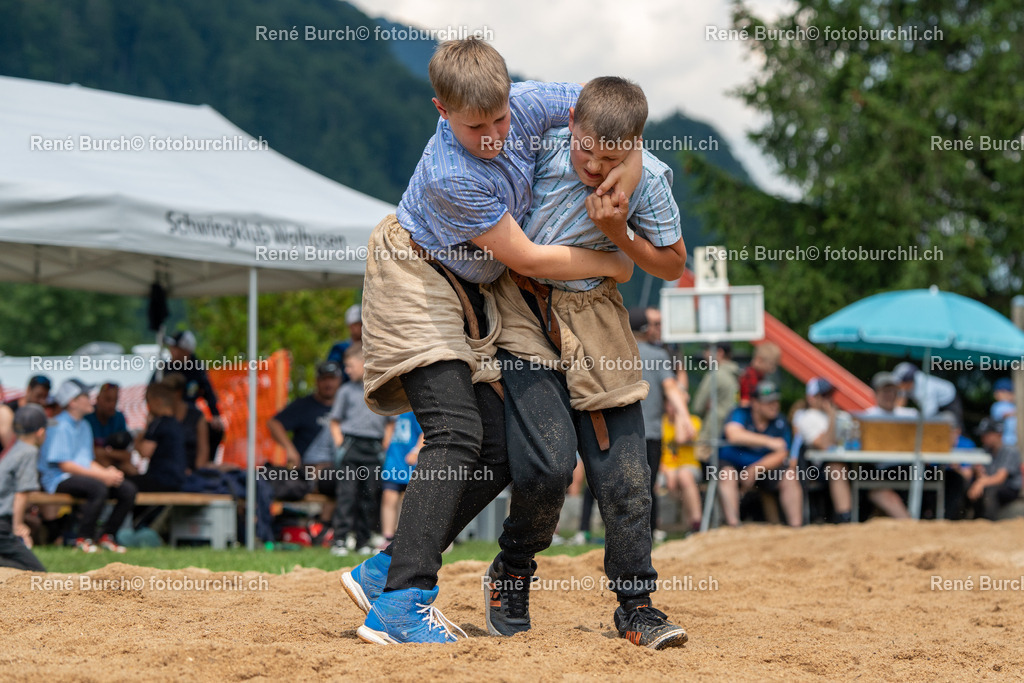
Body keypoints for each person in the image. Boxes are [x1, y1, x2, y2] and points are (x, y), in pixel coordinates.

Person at [348, 38, 636, 646]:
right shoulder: (451, 174)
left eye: (501, 119)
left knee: (502, 445)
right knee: (454, 432)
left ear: (512, 97)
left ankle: (386, 570)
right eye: (475, 127)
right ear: (441, 110)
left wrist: (629, 163)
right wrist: (616, 262)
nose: (493, 137)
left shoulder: (532, 103)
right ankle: (402, 603)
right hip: (414, 272)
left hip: (471, 288)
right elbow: (526, 257)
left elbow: (609, 117)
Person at [476, 77, 688, 647]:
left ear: (635, 145)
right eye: (585, 148)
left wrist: (618, 232)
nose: (593, 165)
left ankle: (637, 606)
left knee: (626, 474)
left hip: (596, 315)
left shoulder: (650, 180)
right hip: (522, 308)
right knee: (547, 465)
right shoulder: (536, 147)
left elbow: (672, 264)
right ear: (570, 123)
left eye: (611, 157)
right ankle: (512, 569)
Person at [37, 379, 135, 553]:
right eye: (85, 396)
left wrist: (108, 474)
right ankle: (83, 539)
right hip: (57, 480)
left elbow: (87, 461)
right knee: (98, 488)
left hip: (78, 476)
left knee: (127, 490)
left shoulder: (83, 425)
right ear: (72, 402)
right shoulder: (59, 425)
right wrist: (103, 476)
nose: (91, 399)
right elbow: (65, 465)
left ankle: (107, 537)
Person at [631, 307, 695, 535]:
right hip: (650, 433)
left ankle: (623, 532)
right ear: (645, 329)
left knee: (624, 485)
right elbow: (671, 389)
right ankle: (648, 532)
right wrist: (685, 416)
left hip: (620, 434)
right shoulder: (657, 356)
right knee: (648, 485)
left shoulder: (613, 355)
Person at [328, 344, 393, 557]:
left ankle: (363, 541)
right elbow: (335, 421)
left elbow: (390, 422)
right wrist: (340, 443)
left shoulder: (381, 389)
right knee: (347, 495)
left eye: (350, 365)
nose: (347, 370)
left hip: (373, 448)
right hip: (351, 446)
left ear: (364, 362)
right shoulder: (345, 391)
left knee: (369, 496)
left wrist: (384, 443)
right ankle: (340, 539)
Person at [719, 381, 803, 527]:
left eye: (776, 401)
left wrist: (756, 469)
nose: (774, 405)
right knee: (726, 474)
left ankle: (796, 528)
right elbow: (733, 435)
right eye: (769, 402)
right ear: (755, 403)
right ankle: (733, 526)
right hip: (734, 465)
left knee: (790, 475)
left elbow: (783, 453)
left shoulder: (780, 421)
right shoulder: (740, 413)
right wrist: (768, 441)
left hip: (764, 468)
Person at [267, 361, 343, 493]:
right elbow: (274, 424)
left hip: (338, 470)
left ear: (339, 380)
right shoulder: (303, 405)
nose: (328, 384)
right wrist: (290, 450)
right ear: (317, 381)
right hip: (306, 471)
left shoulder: (346, 408)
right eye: (324, 379)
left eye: (332, 379)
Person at [793, 378, 853, 523]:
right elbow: (824, 445)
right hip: (817, 469)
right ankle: (845, 517)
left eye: (829, 394)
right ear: (811, 398)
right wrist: (832, 415)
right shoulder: (807, 418)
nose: (828, 399)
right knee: (837, 468)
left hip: (847, 461)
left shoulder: (841, 416)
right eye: (823, 395)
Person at [858, 371, 913, 519]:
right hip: (878, 470)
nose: (889, 395)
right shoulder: (866, 418)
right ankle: (908, 523)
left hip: (907, 469)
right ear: (876, 393)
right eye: (885, 391)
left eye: (892, 391)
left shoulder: (910, 416)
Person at [0, 404, 49, 571]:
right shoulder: (29, 452)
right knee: (37, 573)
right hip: (2, 525)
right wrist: (18, 527)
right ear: (40, 432)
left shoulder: (12, 449)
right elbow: (21, 494)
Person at [130, 383, 187, 492]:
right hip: (178, 480)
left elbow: (145, 452)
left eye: (148, 402)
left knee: (124, 484)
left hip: (160, 480)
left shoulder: (158, 423)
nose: (148, 407)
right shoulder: (177, 424)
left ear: (157, 401)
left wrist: (139, 438)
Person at [378, 411, 423, 549]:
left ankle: (412, 538)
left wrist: (416, 451)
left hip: (411, 463)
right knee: (388, 497)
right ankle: (388, 537)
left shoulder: (413, 410)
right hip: (393, 461)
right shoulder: (389, 410)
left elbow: (424, 433)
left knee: (411, 501)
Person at [691, 342, 741, 461]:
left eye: (707, 350)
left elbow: (697, 406)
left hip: (712, 434)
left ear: (719, 352)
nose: (704, 354)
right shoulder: (737, 373)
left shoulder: (715, 375)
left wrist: (708, 405)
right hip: (734, 431)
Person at [968, 417, 1022, 520]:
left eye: (986, 434)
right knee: (971, 485)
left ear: (998, 434)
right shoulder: (986, 450)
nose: (983, 438)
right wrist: (978, 473)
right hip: (992, 484)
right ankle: (974, 518)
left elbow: (1000, 478)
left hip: (1009, 488)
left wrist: (981, 482)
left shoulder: (1010, 451)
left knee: (990, 489)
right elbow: (982, 475)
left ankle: (989, 520)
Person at [660, 413, 704, 534]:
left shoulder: (693, 421)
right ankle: (657, 526)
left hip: (689, 467)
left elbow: (681, 439)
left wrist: (679, 415)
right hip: (666, 469)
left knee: (684, 475)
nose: (672, 407)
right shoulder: (660, 423)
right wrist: (666, 470)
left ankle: (696, 523)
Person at [162, 373, 210, 473]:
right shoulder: (159, 416)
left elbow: (203, 449)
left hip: (191, 471)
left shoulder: (197, 416)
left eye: (168, 391)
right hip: (167, 471)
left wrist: (197, 471)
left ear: (178, 392)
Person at [85, 382, 133, 474]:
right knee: (104, 463)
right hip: (92, 467)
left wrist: (104, 453)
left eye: (115, 400)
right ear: (98, 399)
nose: (112, 404)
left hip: (113, 463)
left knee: (130, 468)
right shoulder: (87, 418)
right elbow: (89, 453)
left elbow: (127, 456)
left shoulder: (119, 417)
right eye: (108, 400)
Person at [892, 362, 960, 420]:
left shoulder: (925, 388)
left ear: (909, 382)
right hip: (932, 403)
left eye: (901, 384)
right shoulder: (905, 384)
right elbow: (899, 404)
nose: (898, 387)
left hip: (949, 399)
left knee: (953, 425)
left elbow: (929, 412)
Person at [327, 305, 364, 382]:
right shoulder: (339, 349)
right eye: (357, 324)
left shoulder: (372, 347)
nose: (362, 327)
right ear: (350, 326)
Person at [738, 343, 781, 407]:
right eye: (771, 364)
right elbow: (745, 401)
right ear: (759, 360)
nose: (773, 369)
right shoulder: (750, 376)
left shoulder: (759, 376)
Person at [990, 377, 1017, 447]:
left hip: (1016, 439)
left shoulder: (1013, 405)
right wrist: (1019, 413)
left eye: (1010, 392)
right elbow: (1005, 414)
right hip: (1005, 441)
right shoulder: (997, 406)